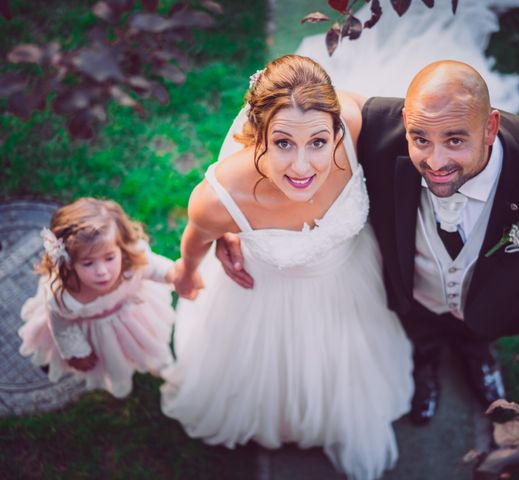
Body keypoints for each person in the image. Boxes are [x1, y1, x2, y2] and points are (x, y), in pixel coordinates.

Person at [217, 60, 519, 427]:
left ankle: (478, 355)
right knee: (420, 334)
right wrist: (236, 220)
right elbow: (283, 118)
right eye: (420, 139)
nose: (435, 162)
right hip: (411, 291)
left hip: (501, 301)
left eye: (455, 141)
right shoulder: (377, 128)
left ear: (490, 128)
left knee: (478, 332)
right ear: (406, 120)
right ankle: (424, 366)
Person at [160, 55, 413, 480]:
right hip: (264, 299)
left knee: (345, 364)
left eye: (317, 142)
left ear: (335, 130)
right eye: (282, 143)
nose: (302, 167)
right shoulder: (218, 198)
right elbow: (195, 237)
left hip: (349, 283)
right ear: (256, 134)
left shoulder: (351, 121)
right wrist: (187, 272)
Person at [18, 197, 176, 399]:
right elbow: (61, 325)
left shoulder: (132, 261)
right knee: (113, 359)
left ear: (122, 247)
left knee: (144, 344)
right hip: (95, 332)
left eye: (109, 258)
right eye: (88, 263)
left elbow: (153, 267)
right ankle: (118, 378)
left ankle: (153, 361)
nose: (102, 272)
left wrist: (174, 274)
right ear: (69, 263)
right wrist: (77, 351)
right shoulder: (65, 296)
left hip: (133, 318)